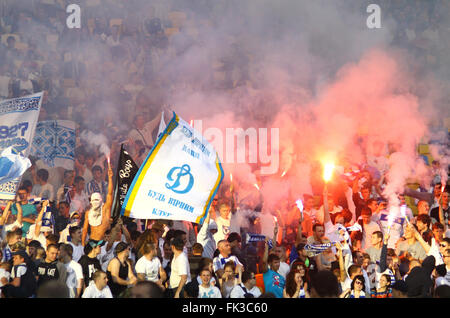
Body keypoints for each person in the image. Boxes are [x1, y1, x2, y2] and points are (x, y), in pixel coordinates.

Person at [82, 163, 113, 245]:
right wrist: (82, 244)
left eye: (97, 200)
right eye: (94, 200)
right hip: (92, 241)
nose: (95, 202)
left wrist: (110, 178)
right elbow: (85, 229)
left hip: (103, 242)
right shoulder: (88, 212)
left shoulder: (105, 208)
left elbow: (109, 194)